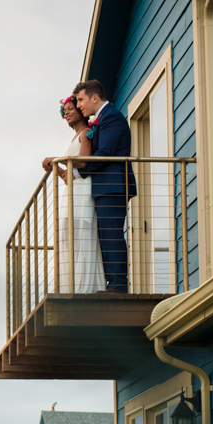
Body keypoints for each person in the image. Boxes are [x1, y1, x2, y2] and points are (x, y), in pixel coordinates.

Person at [73, 80, 135, 293]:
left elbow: (105, 153)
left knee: (111, 234)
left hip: (113, 185)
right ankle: (113, 282)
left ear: (94, 97)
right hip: (105, 186)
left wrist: (79, 171)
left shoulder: (111, 118)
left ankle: (118, 284)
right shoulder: (101, 119)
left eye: (81, 100)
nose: (79, 104)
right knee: (105, 234)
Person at [42, 97, 104, 294]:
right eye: (65, 110)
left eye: (71, 109)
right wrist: (56, 167)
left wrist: (56, 158)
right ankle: (72, 285)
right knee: (71, 234)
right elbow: (68, 174)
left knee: (81, 232)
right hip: (73, 189)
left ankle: (85, 288)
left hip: (84, 190)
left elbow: (84, 161)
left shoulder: (86, 133)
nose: (67, 112)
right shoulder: (74, 137)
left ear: (80, 110)